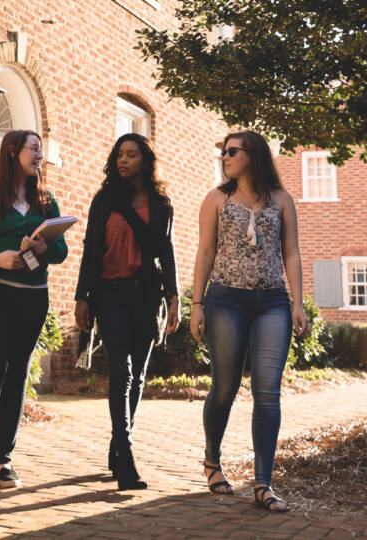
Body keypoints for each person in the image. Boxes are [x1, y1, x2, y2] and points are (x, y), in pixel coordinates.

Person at [190, 131, 307, 512]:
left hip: (272, 301)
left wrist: (298, 303)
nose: (225, 156)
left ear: (253, 155)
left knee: (268, 392)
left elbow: (291, 253)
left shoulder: (282, 200)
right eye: (223, 151)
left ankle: (263, 483)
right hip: (225, 300)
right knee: (224, 389)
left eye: (233, 151)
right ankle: (212, 459)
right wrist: (196, 304)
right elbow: (206, 252)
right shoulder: (216, 199)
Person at [0, 129, 68, 491]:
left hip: (33, 296)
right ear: (12, 152)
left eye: (40, 149)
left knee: (18, 371)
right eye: (34, 148)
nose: (40, 154)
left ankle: (5, 462)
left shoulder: (46, 202)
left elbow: (61, 252)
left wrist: (41, 246)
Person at [74, 133, 179, 490]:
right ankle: (127, 453)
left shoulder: (161, 203)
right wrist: (81, 296)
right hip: (110, 292)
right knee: (122, 369)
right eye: (120, 154)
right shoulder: (104, 201)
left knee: (139, 376)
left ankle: (117, 442)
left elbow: (164, 251)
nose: (123, 160)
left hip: (147, 295)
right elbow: (90, 249)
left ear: (145, 161)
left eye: (131, 155)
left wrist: (175, 297)